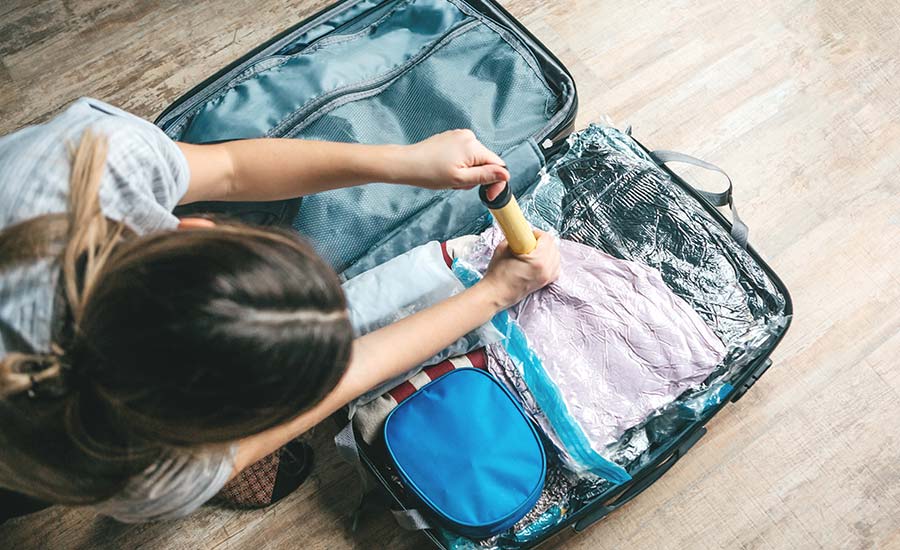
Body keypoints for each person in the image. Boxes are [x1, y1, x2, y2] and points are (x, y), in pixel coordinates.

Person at [0, 98, 560, 523]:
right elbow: (341, 381)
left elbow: (229, 169)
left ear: (198, 229)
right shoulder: (150, 478)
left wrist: (405, 161)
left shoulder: (86, 164)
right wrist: (493, 294)